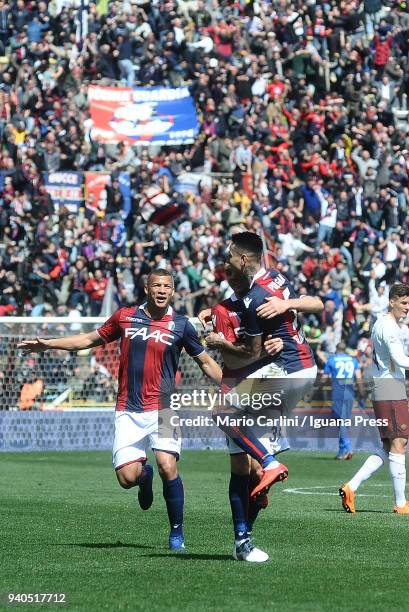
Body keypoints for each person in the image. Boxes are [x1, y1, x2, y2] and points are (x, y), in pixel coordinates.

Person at [18, 269, 222, 550]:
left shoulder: (181, 325)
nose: (162, 290)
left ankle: (177, 532)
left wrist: (237, 389)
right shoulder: (124, 317)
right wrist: (48, 344)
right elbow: (88, 339)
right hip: (128, 408)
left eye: (167, 286)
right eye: (156, 285)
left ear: (173, 291)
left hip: (163, 408)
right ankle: (143, 476)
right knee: (127, 479)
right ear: (147, 289)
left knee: (168, 465)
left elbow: (206, 363)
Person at [203, 232, 323, 560]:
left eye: (229, 260)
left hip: (281, 372)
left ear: (243, 261)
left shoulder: (257, 298)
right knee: (243, 470)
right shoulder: (246, 294)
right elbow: (315, 303)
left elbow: (247, 354)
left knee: (225, 418)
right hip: (273, 375)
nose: (226, 267)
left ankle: (270, 463)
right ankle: (243, 543)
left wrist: (220, 344)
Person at [200, 271, 285, 562]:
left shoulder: (267, 301)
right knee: (240, 467)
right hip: (238, 387)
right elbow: (234, 358)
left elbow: (285, 330)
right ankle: (242, 540)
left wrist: (281, 343)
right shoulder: (222, 311)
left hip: (267, 385)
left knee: (258, 474)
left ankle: (245, 535)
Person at [339, 283, 409, 514]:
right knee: (399, 443)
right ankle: (400, 504)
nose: (407, 307)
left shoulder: (384, 323)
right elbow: (400, 359)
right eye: (404, 302)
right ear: (392, 301)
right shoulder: (388, 327)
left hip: (384, 388)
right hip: (390, 389)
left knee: (389, 445)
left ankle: (351, 486)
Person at [321, 341, 364, 460]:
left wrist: (317, 386)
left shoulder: (331, 360)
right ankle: (341, 453)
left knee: (340, 422)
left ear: (336, 349)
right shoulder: (353, 360)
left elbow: (324, 378)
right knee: (343, 422)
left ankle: (349, 448)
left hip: (338, 394)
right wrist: (362, 394)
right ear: (345, 350)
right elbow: (359, 378)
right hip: (350, 394)